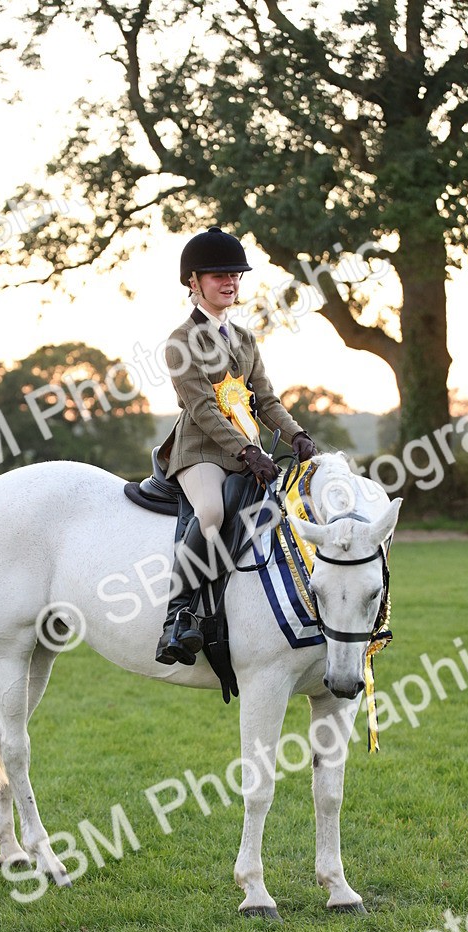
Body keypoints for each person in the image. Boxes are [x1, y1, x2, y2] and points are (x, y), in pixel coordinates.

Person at [155, 226, 317, 665]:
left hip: (252, 455)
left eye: (236, 275)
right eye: (218, 276)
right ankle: (178, 614)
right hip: (201, 452)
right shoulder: (181, 341)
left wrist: (296, 434)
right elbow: (204, 410)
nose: (230, 282)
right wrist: (248, 453)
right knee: (211, 512)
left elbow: (265, 400)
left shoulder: (245, 338)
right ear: (193, 282)